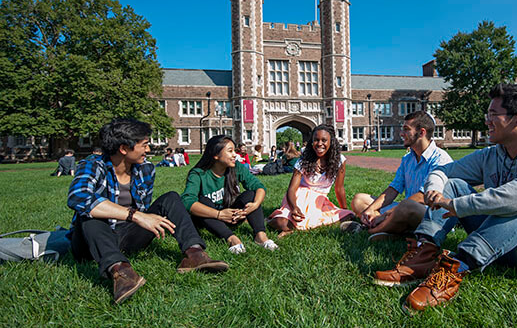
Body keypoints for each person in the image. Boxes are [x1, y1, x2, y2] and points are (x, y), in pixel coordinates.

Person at [376, 84, 517, 311]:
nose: (486, 121)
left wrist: (460, 206)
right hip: (507, 245)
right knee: (455, 185)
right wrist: (435, 189)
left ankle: (455, 267)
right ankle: (424, 252)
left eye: (493, 115)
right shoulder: (493, 153)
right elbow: (443, 172)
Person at [68, 118, 228, 305]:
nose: (148, 150)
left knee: (171, 198)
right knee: (89, 215)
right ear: (123, 148)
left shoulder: (146, 169)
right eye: (144, 145)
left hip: (128, 235)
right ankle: (121, 271)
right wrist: (135, 215)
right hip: (91, 242)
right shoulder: (93, 165)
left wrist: (142, 218)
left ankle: (194, 253)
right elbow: (78, 197)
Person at [347, 111, 452, 242]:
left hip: (431, 216)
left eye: (406, 130)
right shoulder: (407, 159)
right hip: (404, 209)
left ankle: (369, 230)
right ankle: (394, 229)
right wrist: (371, 209)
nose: (402, 134)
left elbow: (421, 197)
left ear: (422, 132)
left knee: (406, 206)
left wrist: (385, 214)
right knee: (359, 200)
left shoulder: (440, 159)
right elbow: (394, 189)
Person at [181, 135, 277, 254]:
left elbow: (258, 186)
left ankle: (260, 236)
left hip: (233, 215)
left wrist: (255, 205)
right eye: (230, 151)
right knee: (202, 201)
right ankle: (232, 239)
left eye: (234, 151)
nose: (235, 155)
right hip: (210, 218)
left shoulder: (236, 167)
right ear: (216, 155)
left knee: (250, 195)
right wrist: (219, 214)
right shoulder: (198, 174)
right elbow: (187, 201)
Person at [267, 125, 354, 237]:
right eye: (316, 140)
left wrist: (344, 210)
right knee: (281, 222)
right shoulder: (304, 160)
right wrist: (294, 207)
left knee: (349, 216)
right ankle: (269, 221)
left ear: (331, 142)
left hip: (319, 201)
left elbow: (339, 189)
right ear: (311, 141)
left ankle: (296, 227)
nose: (319, 144)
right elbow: (292, 189)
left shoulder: (339, 160)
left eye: (324, 140)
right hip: (300, 198)